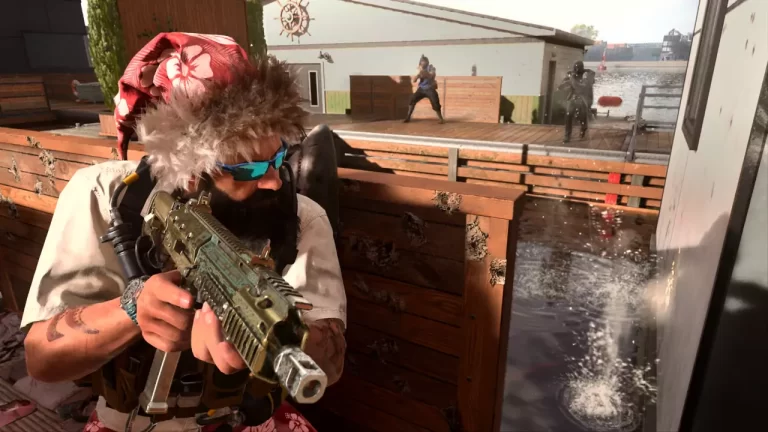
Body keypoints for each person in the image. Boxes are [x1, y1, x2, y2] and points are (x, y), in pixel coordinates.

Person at [20, 32, 347, 432]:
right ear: (189, 169)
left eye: (279, 157)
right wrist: (134, 309)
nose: (275, 181)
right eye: (249, 168)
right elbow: (41, 360)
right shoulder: (105, 195)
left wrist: (277, 336)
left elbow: (331, 364)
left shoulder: (300, 217)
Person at [559, 60, 595, 143]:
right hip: (573, 98)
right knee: (568, 114)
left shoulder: (586, 76)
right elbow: (565, 83)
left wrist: (572, 77)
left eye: (578, 68)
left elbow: (580, 87)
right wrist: (563, 84)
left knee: (582, 115)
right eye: (575, 69)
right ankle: (567, 136)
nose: (576, 70)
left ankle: (583, 127)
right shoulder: (572, 75)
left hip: (583, 99)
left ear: (582, 68)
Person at [404, 55, 445, 124]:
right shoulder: (420, 69)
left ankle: (441, 119)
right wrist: (418, 75)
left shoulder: (431, 67)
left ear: (427, 62)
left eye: (424, 62)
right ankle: (408, 117)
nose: (423, 63)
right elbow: (414, 80)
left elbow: (431, 75)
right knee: (412, 100)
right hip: (421, 89)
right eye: (422, 62)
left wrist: (422, 71)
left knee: (436, 104)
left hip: (430, 88)